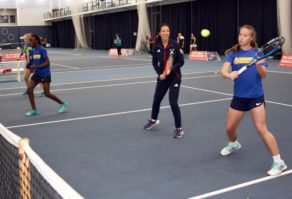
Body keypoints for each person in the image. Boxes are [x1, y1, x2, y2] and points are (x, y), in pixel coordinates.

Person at [220, 25, 287, 176]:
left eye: (245, 35)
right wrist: (229, 74)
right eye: (240, 34)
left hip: (255, 97)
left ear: (251, 38)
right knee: (229, 129)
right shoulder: (233, 53)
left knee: (261, 128)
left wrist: (259, 65)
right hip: (239, 97)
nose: (241, 37)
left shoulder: (258, 53)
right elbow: (223, 71)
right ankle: (234, 144)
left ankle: (279, 162)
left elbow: (263, 75)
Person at [143, 23, 185, 138]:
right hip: (162, 78)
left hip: (175, 77)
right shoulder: (157, 47)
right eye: (163, 31)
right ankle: (153, 120)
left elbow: (181, 62)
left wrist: (171, 69)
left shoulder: (175, 45)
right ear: (159, 33)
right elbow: (154, 62)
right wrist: (159, 73)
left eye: (167, 31)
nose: (166, 33)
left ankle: (179, 128)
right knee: (156, 99)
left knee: (173, 102)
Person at [25, 34, 68, 116]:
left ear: (36, 40)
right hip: (36, 74)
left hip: (45, 73)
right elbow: (32, 63)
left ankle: (62, 103)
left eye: (31, 40)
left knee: (46, 93)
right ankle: (34, 110)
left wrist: (36, 66)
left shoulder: (42, 50)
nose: (29, 41)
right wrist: (31, 68)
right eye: (29, 40)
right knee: (29, 90)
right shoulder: (32, 51)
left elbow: (47, 62)